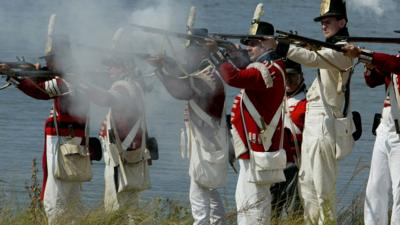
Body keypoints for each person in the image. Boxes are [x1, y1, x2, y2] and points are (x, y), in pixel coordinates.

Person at [274, 0, 354, 224]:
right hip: (313, 125)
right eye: (322, 22)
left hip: (325, 125)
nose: (323, 25)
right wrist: (304, 45)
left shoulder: (344, 50)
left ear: (342, 22)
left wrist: (284, 47)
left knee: (322, 189)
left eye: (328, 21)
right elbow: (318, 54)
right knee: (306, 184)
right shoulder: (329, 49)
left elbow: (314, 59)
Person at [0, 34, 92, 224]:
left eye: (52, 59)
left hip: (63, 147)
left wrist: (13, 74)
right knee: (70, 202)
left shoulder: (67, 81)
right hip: (73, 146)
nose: (48, 63)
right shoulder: (78, 78)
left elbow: (40, 92)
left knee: (54, 202)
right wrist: (29, 73)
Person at [207, 21, 287, 225]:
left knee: (254, 210)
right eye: (248, 43)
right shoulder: (266, 67)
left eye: (254, 43)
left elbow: (234, 77)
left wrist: (214, 54)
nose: (249, 47)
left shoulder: (269, 70)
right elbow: (245, 66)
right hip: (252, 151)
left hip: (258, 150)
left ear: (268, 43)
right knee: (246, 206)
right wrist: (231, 51)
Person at [147, 28, 228, 225]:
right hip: (206, 141)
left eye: (192, 50)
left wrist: (159, 70)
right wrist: (166, 63)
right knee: (208, 189)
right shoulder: (204, 72)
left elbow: (181, 90)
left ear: (201, 52)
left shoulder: (207, 76)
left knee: (199, 191)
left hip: (206, 142)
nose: (188, 54)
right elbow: (184, 75)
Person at [82, 27, 151, 224]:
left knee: (115, 208)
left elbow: (107, 98)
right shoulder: (134, 86)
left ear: (123, 67)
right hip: (129, 155)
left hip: (119, 157)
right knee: (130, 207)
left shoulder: (122, 86)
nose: (108, 69)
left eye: (113, 65)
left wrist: (84, 85)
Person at [343, 44, 400, 224]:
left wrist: (366, 54)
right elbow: (372, 81)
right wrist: (368, 63)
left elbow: (394, 64)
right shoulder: (393, 60)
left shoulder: (394, 61)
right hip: (386, 128)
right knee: (375, 188)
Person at [270, 59, 306, 219]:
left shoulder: (308, 101)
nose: (289, 80)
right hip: (274, 163)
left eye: (293, 76)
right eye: (286, 76)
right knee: (271, 210)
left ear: (301, 76)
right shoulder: (274, 98)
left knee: (294, 212)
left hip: (297, 164)